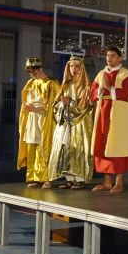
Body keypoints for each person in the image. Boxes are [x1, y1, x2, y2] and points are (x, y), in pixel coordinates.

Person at [90, 46, 128, 194]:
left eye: (113, 56)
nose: (109, 59)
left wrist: (109, 87)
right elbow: (92, 94)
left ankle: (119, 182)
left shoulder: (126, 75)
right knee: (103, 146)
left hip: (118, 119)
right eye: (107, 56)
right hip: (103, 115)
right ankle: (106, 182)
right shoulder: (100, 74)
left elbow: (127, 94)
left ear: (120, 58)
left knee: (117, 147)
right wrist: (100, 90)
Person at [47, 56, 94, 189]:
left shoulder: (86, 87)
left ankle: (79, 179)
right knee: (66, 148)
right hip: (65, 123)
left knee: (79, 149)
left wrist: (70, 104)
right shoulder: (65, 86)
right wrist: (63, 104)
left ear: (82, 68)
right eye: (71, 66)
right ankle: (69, 179)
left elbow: (86, 108)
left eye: (77, 66)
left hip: (80, 124)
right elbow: (55, 106)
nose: (74, 69)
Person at [17, 57, 60, 188]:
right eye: (30, 72)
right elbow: (25, 99)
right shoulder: (30, 83)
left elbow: (54, 104)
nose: (32, 74)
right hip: (31, 118)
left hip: (44, 118)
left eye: (34, 71)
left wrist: (35, 108)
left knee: (44, 147)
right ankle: (34, 176)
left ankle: (46, 177)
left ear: (40, 69)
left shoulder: (51, 83)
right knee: (31, 147)